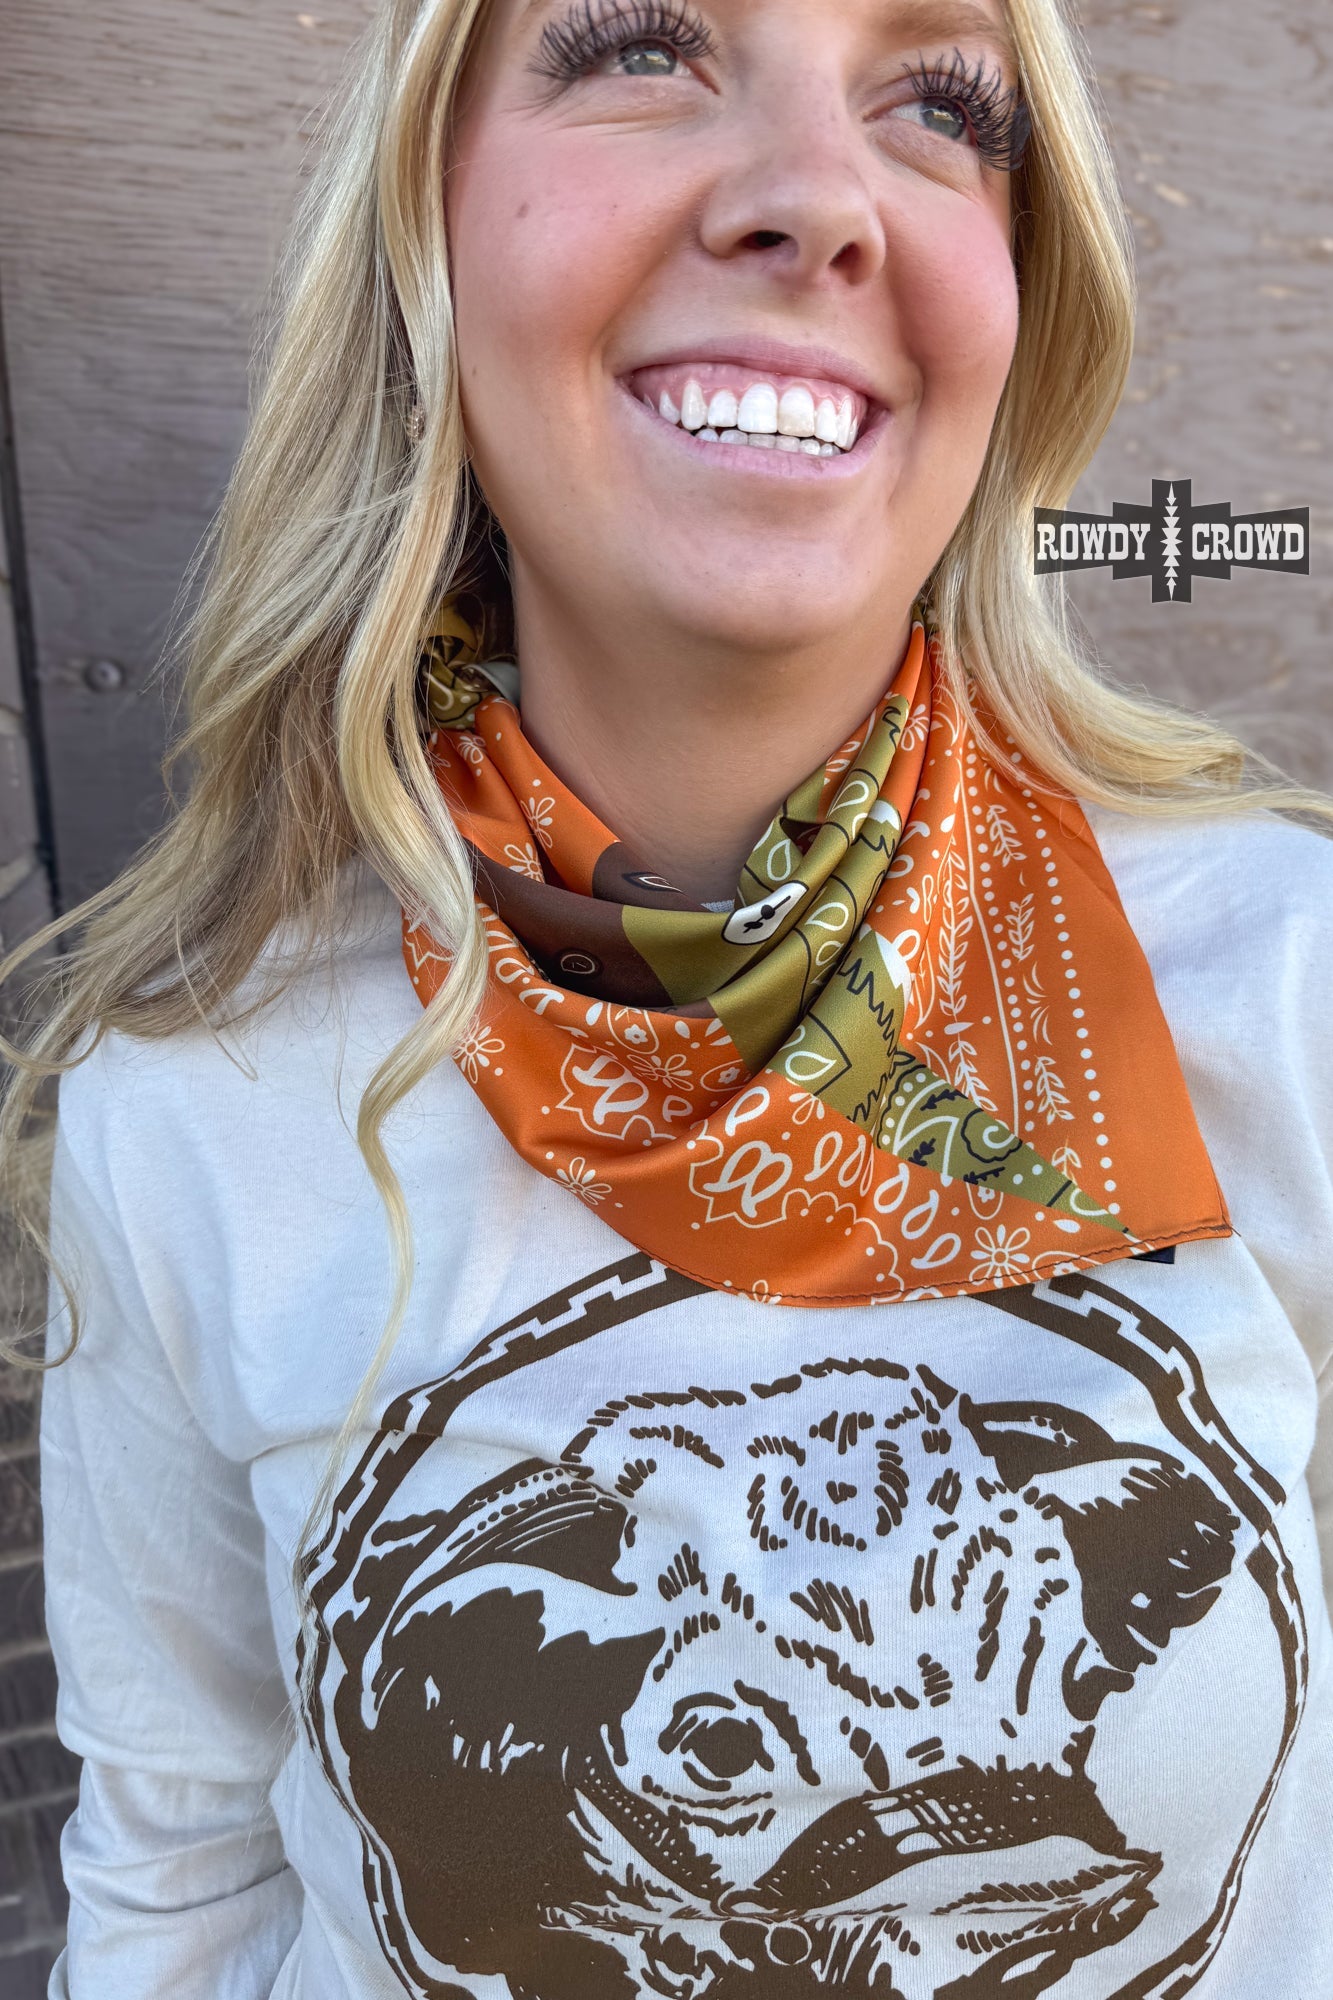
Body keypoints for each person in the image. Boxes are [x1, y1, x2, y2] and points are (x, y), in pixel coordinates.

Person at [4, 0, 1330, 1994]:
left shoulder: (1289, 984)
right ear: (426, 222)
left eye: (939, 102)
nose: (818, 196)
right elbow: (182, 1883)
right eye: (642, 46)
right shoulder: (192, 1101)